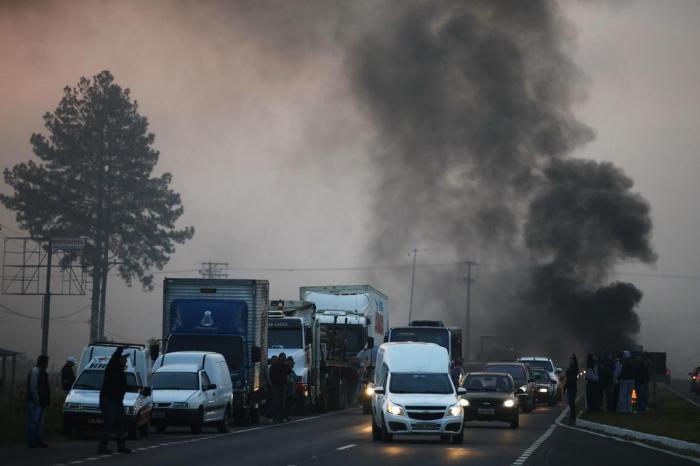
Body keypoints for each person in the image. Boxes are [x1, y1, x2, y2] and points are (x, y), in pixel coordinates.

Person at [98, 347, 131, 454]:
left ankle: (121, 446)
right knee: (109, 424)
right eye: (124, 359)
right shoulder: (111, 367)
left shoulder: (121, 372)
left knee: (120, 423)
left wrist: (139, 389)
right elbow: (114, 358)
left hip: (117, 400)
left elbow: (123, 387)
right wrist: (120, 349)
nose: (125, 360)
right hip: (108, 400)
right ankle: (102, 447)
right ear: (118, 359)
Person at [26, 354, 50, 448]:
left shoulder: (42, 372)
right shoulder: (36, 371)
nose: (47, 364)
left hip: (41, 402)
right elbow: (33, 387)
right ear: (43, 362)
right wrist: (37, 399)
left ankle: (37, 440)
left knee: (39, 423)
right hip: (35, 402)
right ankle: (32, 441)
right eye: (46, 362)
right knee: (33, 422)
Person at [269, 352, 291, 422]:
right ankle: (276, 416)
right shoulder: (275, 365)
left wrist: (287, 365)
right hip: (276, 385)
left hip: (283, 385)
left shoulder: (285, 365)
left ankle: (281, 416)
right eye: (282, 357)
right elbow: (271, 375)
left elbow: (289, 372)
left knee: (282, 401)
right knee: (276, 401)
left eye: (284, 357)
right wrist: (273, 383)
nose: (283, 359)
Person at [564, 353, 579, 424]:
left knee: (572, 403)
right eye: (570, 359)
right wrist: (565, 387)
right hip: (570, 387)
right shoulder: (570, 368)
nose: (570, 361)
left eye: (572, 359)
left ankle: (572, 417)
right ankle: (572, 416)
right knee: (570, 403)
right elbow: (567, 379)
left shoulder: (574, 368)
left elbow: (571, 379)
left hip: (572, 387)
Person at [285, 356, 297, 421]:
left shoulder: (292, 371)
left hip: (291, 390)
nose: (293, 364)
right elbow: (288, 380)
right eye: (292, 363)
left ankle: (287, 415)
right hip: (287, 390)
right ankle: (285, 416)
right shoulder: (287, 370)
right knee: (286, 403)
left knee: (289, 403)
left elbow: (296, 378)